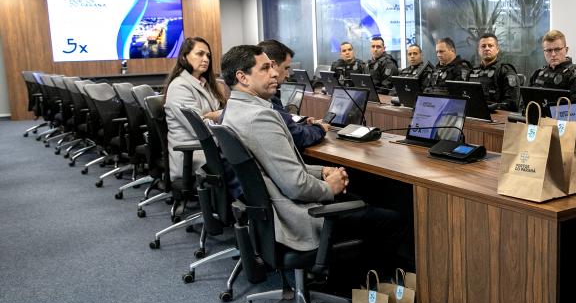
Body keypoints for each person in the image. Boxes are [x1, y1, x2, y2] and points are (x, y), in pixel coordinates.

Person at [219, 44, 403, 269]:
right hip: (295, 219)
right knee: (389, 219)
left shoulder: (234, 109)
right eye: (265, 68)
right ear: (242, 77)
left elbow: (275, 167)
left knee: (358, 197)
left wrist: (321, 170)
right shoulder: (259, 118)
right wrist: (329, 188)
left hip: (269, 215)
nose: (275, 73)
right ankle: (362, 286)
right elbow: (295, 186)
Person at [163, 36, 226, 180]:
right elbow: (199, 128)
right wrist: (216, 116)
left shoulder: (204, 83)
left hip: (208, 146)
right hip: (192, 153)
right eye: (200, 54)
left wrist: (213, 116)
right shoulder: (179, 86)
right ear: (184, 57)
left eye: (208, 55)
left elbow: (216, 116)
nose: (205, 59)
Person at [258, 39, 329, 149]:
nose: (287, 75)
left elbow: (284, 127)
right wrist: (320, 128)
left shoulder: (253, 98)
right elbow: (296, 136)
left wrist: (302, 124)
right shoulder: (266, 101)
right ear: (272, 65)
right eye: (286, 68)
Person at [529, 29, 576, 101]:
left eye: (557, 49)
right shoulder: (537, 74)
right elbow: (525, 103)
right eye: (549, 50)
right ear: (544, 52)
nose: (553, 54)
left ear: (566, 50)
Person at [469, 32, 519, 111]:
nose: (487, 48)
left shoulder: (505, 71)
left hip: (497, 115)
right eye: (483, 46)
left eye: (490, 45)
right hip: (473, 114)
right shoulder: (472, 72)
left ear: (497, 49)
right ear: (478, 50)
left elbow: (512, 103)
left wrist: (492, 108)